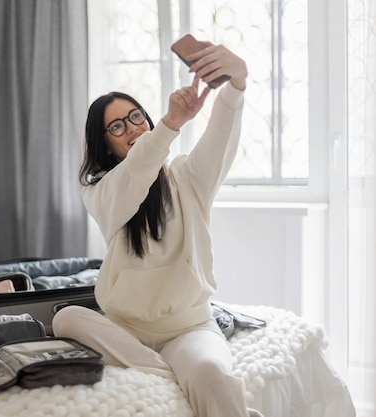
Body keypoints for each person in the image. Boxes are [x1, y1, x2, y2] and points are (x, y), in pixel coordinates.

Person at [52, 41, 263, 417]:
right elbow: (135, 175)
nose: (131, 127)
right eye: (116, 126)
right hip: (126, 329)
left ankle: (165, 371)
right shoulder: (101, 191)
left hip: (189, 327)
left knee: (211, 374)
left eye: (136, 117)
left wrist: (237, 82)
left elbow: (221, 138)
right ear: (105, 145)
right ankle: (168, 374)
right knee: (65, 317)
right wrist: (169, 125)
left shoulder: (187, 176)